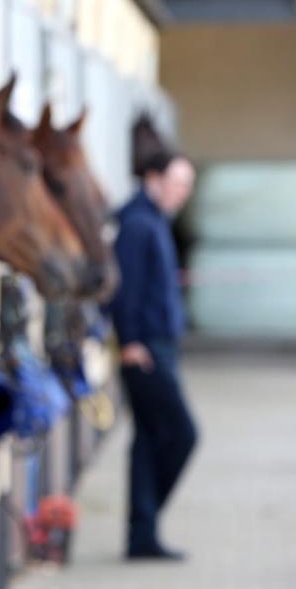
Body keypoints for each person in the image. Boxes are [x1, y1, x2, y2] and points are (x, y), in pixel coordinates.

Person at [110, 150, 198, 561]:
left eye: (187, 186)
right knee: (182, 433)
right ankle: (143, 523)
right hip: (144, 349)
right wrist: (129, 341)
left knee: (148, 440)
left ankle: (141, 537)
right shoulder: (138, 222)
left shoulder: (155, 220)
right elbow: (123, 288)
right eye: (178, 183)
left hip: (159, 343)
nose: (183, 193)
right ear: (153, 177)